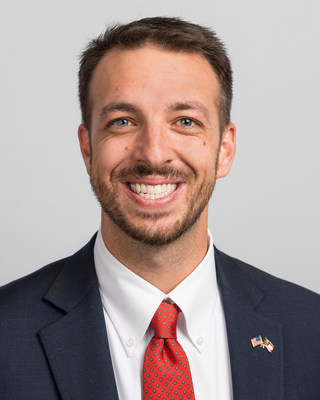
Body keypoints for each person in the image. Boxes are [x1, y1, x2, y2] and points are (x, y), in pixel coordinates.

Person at [0, 16, 319, 400]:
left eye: (185, 121)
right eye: (123, 121)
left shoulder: (311, 329)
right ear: (88, 149)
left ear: (224, 150)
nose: (153, 153)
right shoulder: (6, 334)